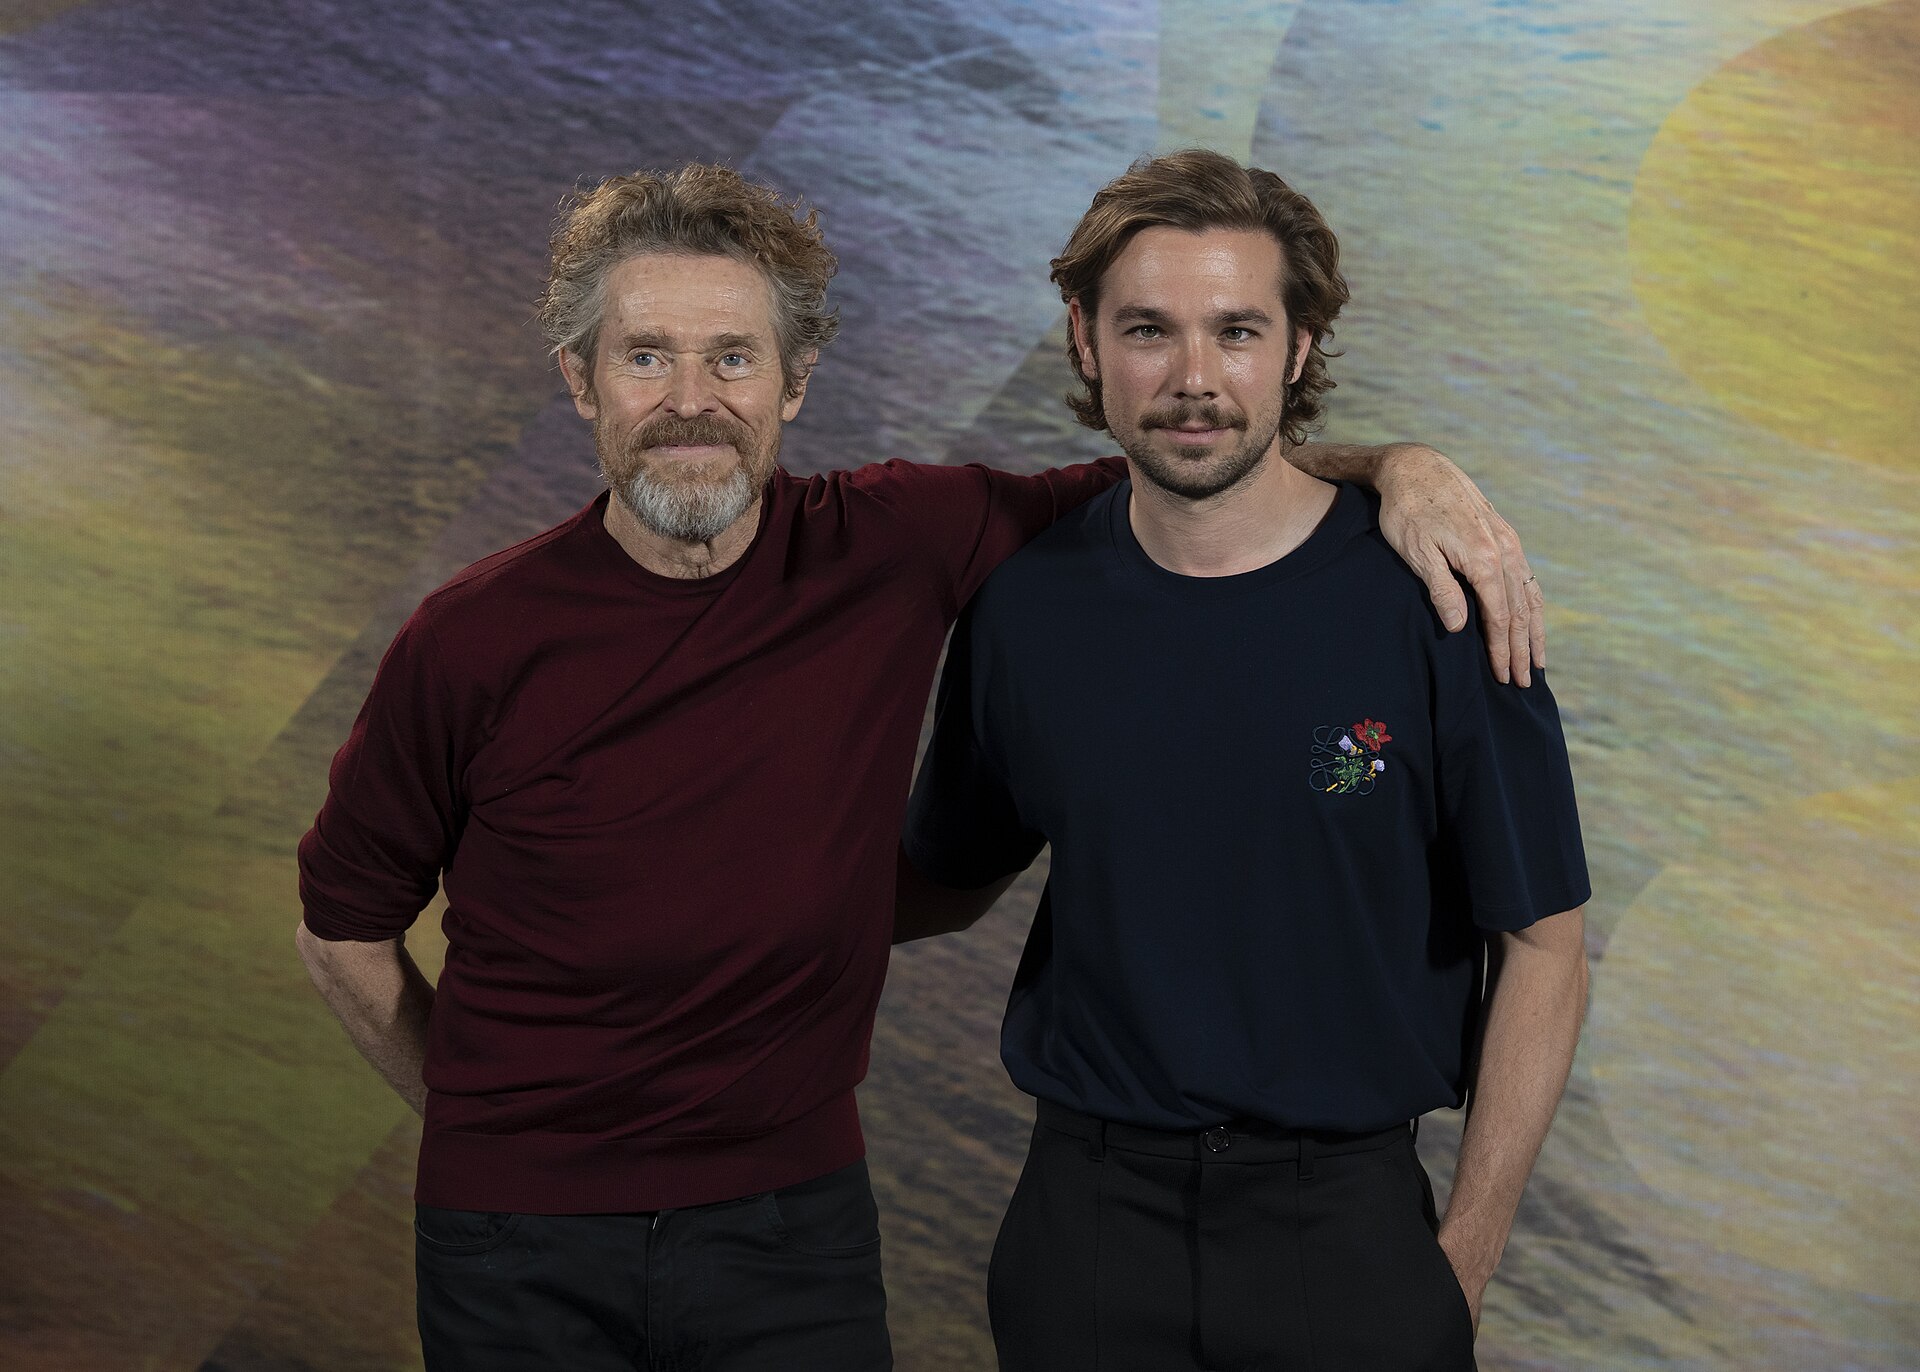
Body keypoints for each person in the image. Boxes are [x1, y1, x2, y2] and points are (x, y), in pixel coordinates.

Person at [294, 160, 1547, 1371]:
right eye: (645, 357)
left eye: (733, 356)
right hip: (519, 1245)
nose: (692, 398)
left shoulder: (901, 545)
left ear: (794, 382)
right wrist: (492, 1138)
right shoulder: (471, 638)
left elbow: (1195, 466)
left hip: (794, 1227)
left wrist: (1403, 467)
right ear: (581, 381)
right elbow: (342, 927)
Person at [897, 149, 1590, 1372]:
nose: (1195, 378)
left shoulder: (1439, 598)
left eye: (1238, 330)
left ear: (1299, 348)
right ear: (1084, 339)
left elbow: (1544, 944)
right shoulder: (1024, 609)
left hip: (1349, 1228)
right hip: (1088, 1226)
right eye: (1150, 330)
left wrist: (1458, 1268)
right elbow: (945, 876)